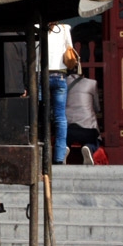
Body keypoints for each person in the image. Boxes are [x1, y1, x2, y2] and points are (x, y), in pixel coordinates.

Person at [44, 21, 75, 164]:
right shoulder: (64, 28)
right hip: (60, 75)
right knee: (60, 117)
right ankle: (59, 157)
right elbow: (70, 49)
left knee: (41, 115)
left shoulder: (37, 27)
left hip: (41, 74)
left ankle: (42, 153)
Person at [65, 70, 101, 165]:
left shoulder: (63, 82)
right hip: (88, 127)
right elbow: (97, 108)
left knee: (64, 139)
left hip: (68, 127)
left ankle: (64, 148)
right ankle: (88, 147)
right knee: (95, 141)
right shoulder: (92, 83)